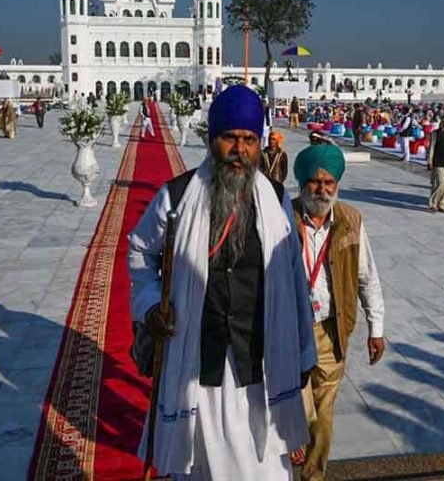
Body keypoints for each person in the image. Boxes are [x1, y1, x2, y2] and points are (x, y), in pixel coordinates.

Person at [129, 84, 315, 480]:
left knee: (264, 470)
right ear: (213, 140)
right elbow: (139, 252)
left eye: (249, 140)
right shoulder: (176, 198)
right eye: (230, 138)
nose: (239, 150)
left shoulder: (277, 200)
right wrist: (149, 305)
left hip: (260, 365)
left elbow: (295, 279)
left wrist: (303, 352)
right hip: (199, 363)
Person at [291, 143, 385, 481]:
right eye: (315, 182)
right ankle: (293, 448)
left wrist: (376, 328)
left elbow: (367, 277)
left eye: (329, 182)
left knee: (324, 412)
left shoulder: (350, 220)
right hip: (292, 331)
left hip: (332, 331)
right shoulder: (284, 219)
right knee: (300, 408)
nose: (322, 189)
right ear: (302, 184)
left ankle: (313, 475)